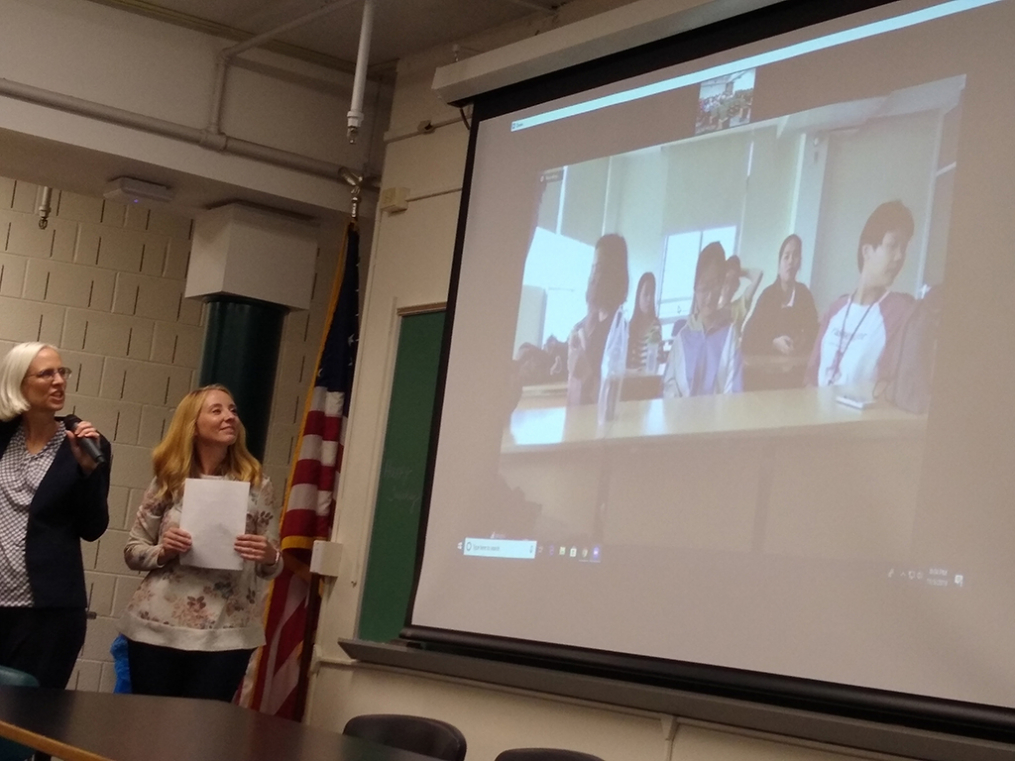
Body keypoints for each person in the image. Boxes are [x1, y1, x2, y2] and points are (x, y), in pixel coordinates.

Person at [119, 384, 282, 701]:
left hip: (227, 631)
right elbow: (132, 551)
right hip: (159, 624)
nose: (229, 417)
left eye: (233, 410)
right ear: (192, 426)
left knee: (201, 735)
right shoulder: (168, 481)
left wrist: (269, 555)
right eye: (217, 410)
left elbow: (272, 566)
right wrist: (163, 551)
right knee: (148, 729)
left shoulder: (257, 485)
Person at [0, 342, 110, 691]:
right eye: (47, 373)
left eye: (63, 372)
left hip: (47, 612)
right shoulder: (0, 436)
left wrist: (87, 472)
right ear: (19, 383)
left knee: (26, 721)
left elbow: (93, 527)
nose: (59, 381)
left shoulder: (84, 444)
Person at [806, 201, 915, 387]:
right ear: (867, 251)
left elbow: (891, 387)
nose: (899, 257)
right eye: (893, 245)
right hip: (817, 413)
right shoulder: (835, 310)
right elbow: (810, 377)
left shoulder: (900, 313)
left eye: (903, 249)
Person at [663, 242, 743, 397]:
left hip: (718, 419)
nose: (710, 296)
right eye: (704, 287)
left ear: (721, 286)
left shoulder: (729, 336)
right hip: (682, 418)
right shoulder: (682, 338)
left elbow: (734, 394)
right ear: (695, 289)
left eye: (715, 286)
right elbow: (669, 388)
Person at [742, 234, 819, 388]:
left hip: (796, 374)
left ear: (800, 263)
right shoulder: (768, 296)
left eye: (795, 255)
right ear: (780, 263)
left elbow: (815, 334)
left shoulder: (804, 295)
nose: (791, 261)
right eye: (786, 256)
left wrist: (802, 340)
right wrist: (773, 343)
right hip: (765, 377)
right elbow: (748, 339)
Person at [567, 234, 630, 405]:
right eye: (593, 267)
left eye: (600, 269)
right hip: (576, 420)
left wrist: (585, 375)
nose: (594, 276)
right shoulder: (587, 322)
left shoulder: (619, 332)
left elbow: (613, 403)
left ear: (614, 275)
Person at [627, 272, 663, 372]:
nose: (649, 299)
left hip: (648, 382)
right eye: (646, 294)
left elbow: (656, 362)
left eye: (652, 294)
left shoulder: (655, 326)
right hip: (629, 381)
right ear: (638, 296)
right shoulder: (630, 327)